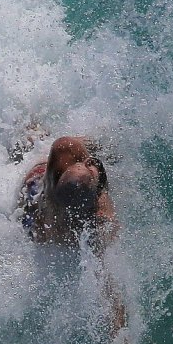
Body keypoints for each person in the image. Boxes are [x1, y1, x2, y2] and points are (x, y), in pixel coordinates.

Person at [18, 136, 126, 333]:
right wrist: (120, 336)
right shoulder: (99, 213)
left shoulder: (64, 150)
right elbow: (108, 286)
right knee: (31, 141)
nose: (90, 164)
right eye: (90, 170)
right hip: (34, 187)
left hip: (40, 199)